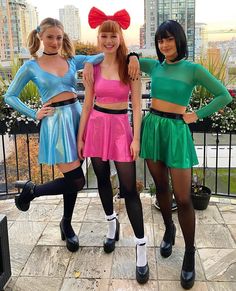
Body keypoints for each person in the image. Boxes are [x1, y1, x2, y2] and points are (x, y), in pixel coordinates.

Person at [128, 20, 232, 289]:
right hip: (153, 127)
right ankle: (168, 229)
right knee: (161, 187)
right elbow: (134, 59)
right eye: (160, 40)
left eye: (169, 39)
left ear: (179, 40)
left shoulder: (193, 69)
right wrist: (131, 55)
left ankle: (189, 253)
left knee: (184, 198)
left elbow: (223, 95)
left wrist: (196, 114)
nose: (164, 45)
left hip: (176, 130)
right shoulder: (156, 66)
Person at [4, 17, 104, 253]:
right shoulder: (31, 66)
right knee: (77, 180)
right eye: (50, 37)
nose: (55, 42)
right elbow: (10, 96)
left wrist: (91, 62)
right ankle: (32, 191)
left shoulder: (71, 60)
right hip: (55, 124)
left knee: (73, 180)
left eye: (59, 37)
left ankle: (66, 225)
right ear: (40, 36)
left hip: (77, 118)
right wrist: (33, 113)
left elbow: (100, 57)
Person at [78, 7, 149, 284]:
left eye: (113, 36)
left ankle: (141, 249)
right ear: (99, 39)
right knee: (102, 181)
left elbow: (137, 107)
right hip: (96, 125)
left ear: (120, 38)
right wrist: (80, 137)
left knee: (130, 190)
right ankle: (111, 226)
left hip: (120, 128)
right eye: (104, 36)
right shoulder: (92, 67)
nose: (108, 40)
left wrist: (136, 138)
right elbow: (86, 105)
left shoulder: (130, 65)